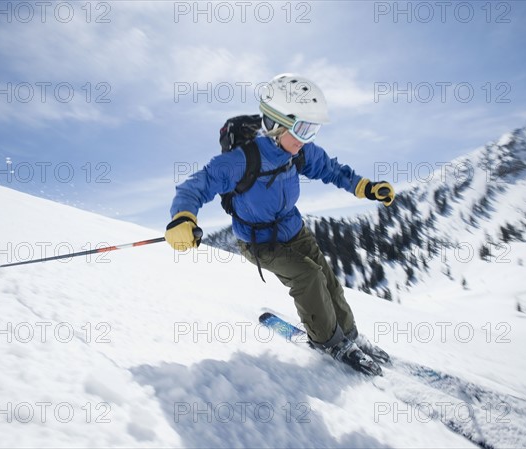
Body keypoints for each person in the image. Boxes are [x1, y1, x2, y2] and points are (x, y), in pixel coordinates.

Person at [165, 73, 395, 376]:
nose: (306, 139)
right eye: (302, 128)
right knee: (308, 276)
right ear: (275, 124)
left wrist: (364, 187)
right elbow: (197, 185)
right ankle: (328, 342)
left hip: (294, 230)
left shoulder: (298, 152)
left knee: (328, 279)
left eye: (312, 130)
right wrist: (183, 216)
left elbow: (332, 170)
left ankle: (349, 336)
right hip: (260, 243)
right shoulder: (241, 160)